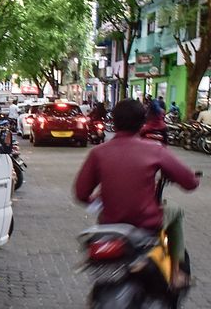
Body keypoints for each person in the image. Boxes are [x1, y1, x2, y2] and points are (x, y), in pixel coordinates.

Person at [74, 100, 199, 289]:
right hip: (145, 223)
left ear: (113, 122)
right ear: (143, 122)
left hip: (109, 224)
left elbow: (81, 193)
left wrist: (98, 200)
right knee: (176, 211)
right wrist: (194, 179)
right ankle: (175, 273)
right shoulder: (155, 149)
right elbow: (189, 182)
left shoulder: (98, 153)